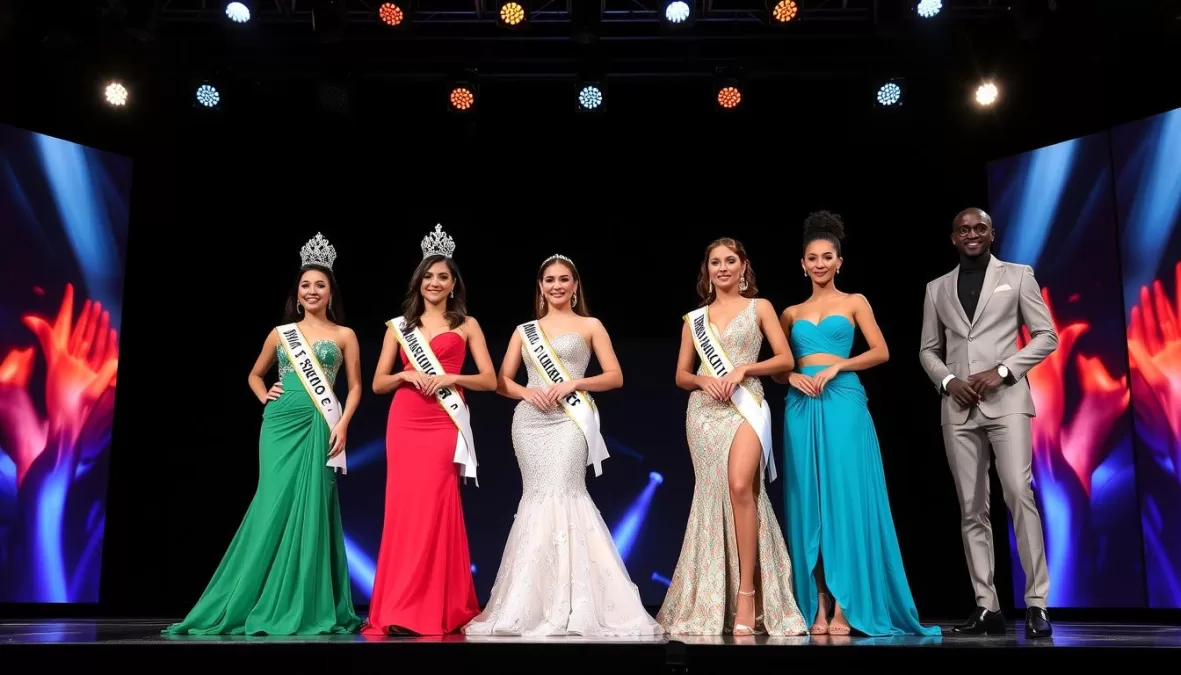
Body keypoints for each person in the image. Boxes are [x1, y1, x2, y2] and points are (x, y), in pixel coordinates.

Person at [165, 232, 363, 636]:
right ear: (298, 292)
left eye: (319, 285)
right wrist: (264, 395)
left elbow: (356, 386)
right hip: (279, 425)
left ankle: (305, 602)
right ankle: (249, 598)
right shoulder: (280, 332)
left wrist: (342, 423)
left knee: (314, 507)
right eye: (305, 285)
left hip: (320, 425)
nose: (311, 291)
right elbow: (255, 375)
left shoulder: (345, 335)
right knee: (271, 504)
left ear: (330, 292)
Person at [462, 254, 662, 637]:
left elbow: (615, 376)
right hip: (530, 422)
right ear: (540, 287)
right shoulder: (525, 330)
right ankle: (530, 604)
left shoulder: (590, 325)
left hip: (571, 420)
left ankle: (573, 603)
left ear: (575, 285)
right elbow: (501, 381)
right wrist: (528, 391)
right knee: (536, 498)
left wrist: (574, 383)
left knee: (566, 493)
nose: (556, 285)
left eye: (564, 279)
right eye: (549, 280)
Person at [774, 211, 941, 638]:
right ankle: (818, 603)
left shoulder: (855, 302)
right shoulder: (790, 312)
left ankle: (848, 606)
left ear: (840, 261)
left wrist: (838, 368)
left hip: (843, 402)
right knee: (808, 504)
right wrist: (789, 375)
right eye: (812, 258)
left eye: (828, 257)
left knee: (845, 503)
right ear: (802, 264)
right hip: (800, 407)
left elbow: (882, 351)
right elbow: (778, 365)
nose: (820, 264)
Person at [657, 238, 808, 637]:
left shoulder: (761, 308)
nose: (722, 268)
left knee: (742, 486)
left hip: (746, 407)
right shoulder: (694, 319)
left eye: (730, 261)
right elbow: (681, 375)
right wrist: (704, 379)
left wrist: (743, 370)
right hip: (705, 413)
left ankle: (748, 594)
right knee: (714, 495)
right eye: (715, 262)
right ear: (707, 271)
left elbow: (785, 359)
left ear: (744, 267)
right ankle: (719, 596)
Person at [919, 208, 1056, 638]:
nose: (972, 234)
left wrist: (1001, 372)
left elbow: (1046, 335)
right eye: (963, 229)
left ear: (992, 233)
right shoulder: (937, 287)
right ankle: (987, 606)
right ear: (953, 236)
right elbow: (927, 349)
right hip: (958, 408)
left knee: (1019, 493)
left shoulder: (1017, 275)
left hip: (1008, 400)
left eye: (980, 227)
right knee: (971, 508)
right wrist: (947, 380)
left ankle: (1037, 604)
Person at [364, 225, 497, 636]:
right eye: (429, 276)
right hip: (405, 422)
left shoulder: (468, 324)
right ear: (418, 282)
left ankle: (438, 606)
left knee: (438, 509)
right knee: (405, 512)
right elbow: (378, 384)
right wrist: (406, 373)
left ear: (454, 283)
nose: (435, 282)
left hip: (444, 422)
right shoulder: (399, 327)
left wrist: (448, 379)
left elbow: (490, 380)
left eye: (443, 276)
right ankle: (401, 607)